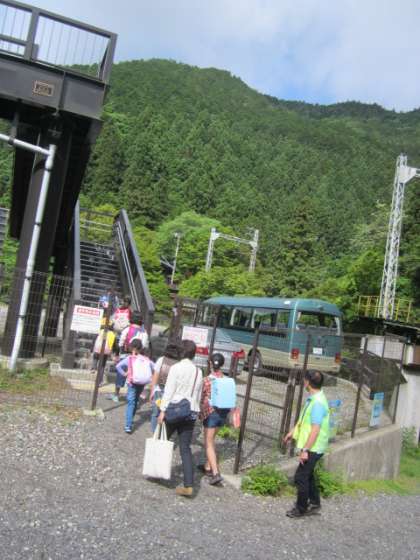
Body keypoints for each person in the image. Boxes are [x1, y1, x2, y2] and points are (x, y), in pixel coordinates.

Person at [158, 340, 203, 497]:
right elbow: (198, 393)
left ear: (181, 352)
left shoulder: (176, 368)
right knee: (185, 448)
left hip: (174, 409)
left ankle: (158, 471)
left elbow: (169, 390)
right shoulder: (198, 371)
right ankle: (189, 485)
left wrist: (162, 410)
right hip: (190, 411)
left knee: (163, 441)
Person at [283, 370, 330, 518]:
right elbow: (304, 421)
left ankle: (301, 508)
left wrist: (305, 450)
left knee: (300, 477)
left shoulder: (317, 403)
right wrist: (293, 432)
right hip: (313, 446)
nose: (303, 381)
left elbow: (315, 429)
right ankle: (315, 502)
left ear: (308, 382)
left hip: (313, 447)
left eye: (304, 379)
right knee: (308, 475)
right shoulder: (315, 398)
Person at [199, 353, 231, 485]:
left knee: (208, 443)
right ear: (222, 364)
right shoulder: (227, 380)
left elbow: (201, 397)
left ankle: (215, 473)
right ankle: (207, 467)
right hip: (222, 414)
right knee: (211, 440)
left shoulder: (207, 380)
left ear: (211, 363)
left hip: (210, 414)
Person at [116, 339, 154, 434]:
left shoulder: (130, 358)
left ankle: (128, 425)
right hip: (142, 383)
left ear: (132, 347)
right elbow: (155, 367)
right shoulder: (146, 359)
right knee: (135, 401)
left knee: (131, 403)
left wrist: (124, 374)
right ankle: (130, 420)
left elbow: (118, 366)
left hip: (132, 382)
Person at [149, 342, 180, 432]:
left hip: (159, 389)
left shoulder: (161, 360)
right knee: (167, 413)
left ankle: (154, 433)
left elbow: (155, 376)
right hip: (171, 392)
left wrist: (152, 391)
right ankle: (163, 432)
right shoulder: (178, 363)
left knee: (155, 413)